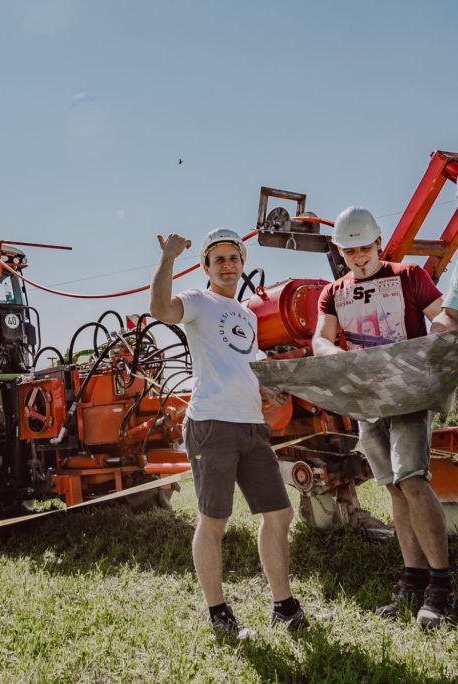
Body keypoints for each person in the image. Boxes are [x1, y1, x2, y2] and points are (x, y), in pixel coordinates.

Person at [151, 227, 307, 639]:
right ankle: (218, 613)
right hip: (211, 425)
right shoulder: (198, 302)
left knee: (279, 514)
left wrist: (264, 390)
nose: (227, 265)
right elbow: (160, 309)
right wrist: (167, 258)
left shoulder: (247, 315)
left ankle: (284, 606)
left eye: (233, 258)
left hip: (251, 425)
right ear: (205, 266)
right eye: (218, 259)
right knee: (214, 520)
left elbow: (244, 362)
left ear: (241, 263)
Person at [312, 205, 451, 628]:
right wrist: (336, 356)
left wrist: (430, 350)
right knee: (392, 488)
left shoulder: (409, 276)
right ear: (341, 251)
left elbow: (442, 317)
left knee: (411, 478)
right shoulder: (333, 292)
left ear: (378, 242)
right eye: (349, 250)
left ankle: (441, 588)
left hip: (408, 396)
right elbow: (321, 339)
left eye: (364, 247)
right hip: (367, 401)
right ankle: (412, 581)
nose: (358, 256)